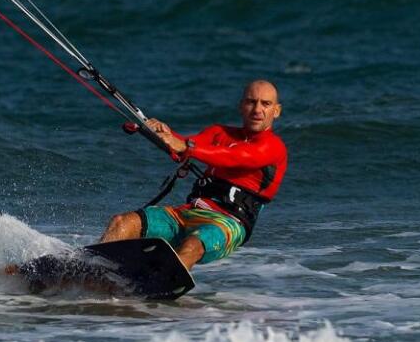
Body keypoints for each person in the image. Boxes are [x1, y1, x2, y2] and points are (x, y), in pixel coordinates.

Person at [99, 79, 287, 269]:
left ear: (276, 111)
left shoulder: (273, 147)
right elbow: (185, 143)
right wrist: (161, 132)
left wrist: (184, 146)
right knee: (122, 222)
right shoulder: (218, 132)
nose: (257, 109)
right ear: (241, 106)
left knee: (191, 245)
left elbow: (234, 157)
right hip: (189, 212)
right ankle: (92, 270)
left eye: (266, 103)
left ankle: (157, 287)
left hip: (228, 222)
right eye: (251, 102)